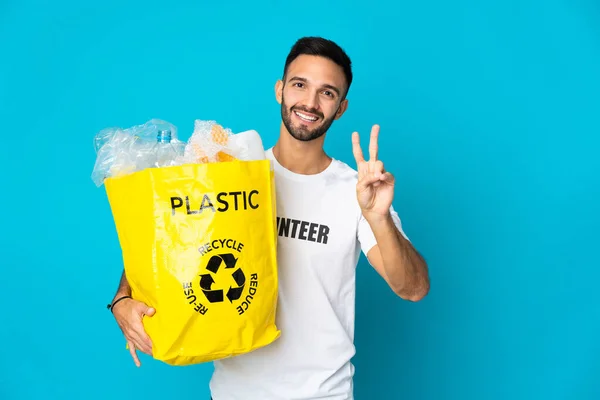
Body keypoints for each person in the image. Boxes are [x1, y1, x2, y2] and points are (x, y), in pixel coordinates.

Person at [108, 36, 430, 400]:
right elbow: (168, 246)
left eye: (327, 93)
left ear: (340, 108)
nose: (309, 102)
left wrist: (378, 217)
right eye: (299, 85)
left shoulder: (356, 192)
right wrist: (122, 299)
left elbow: (412, 288)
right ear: (280, 90)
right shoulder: (230, 175)